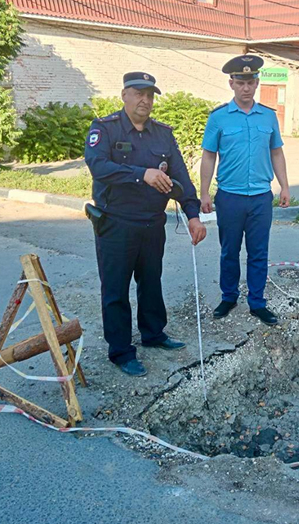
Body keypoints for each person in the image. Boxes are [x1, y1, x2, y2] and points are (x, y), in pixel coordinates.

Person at [84, 71, 207, 376]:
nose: (145, 100)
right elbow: (98, 166)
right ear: (124, 95)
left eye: (150, 95)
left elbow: (181, 176)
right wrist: (142, 174)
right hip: (116, 224)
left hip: (153, 223)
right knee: (115, 289)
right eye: (139, 93)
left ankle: (153, 334)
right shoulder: (105, 128)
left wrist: (193, 215)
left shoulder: (163, 134)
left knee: (151, 282)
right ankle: (121, 351)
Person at [199, 55, 290, 326]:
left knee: (259, 252)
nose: (246, 88)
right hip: (229, 196)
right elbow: (208, 157)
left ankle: (258, 303)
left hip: (261, 196)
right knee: (229, 251)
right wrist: (204, 193)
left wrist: (284, 185)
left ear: (257, 82)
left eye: (251, 82)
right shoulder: (219, 118)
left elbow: (276, 152)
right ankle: (228, 297)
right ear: (231, 83)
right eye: (241, 82)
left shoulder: (269, 116)